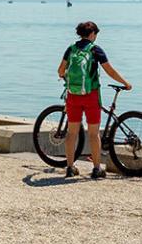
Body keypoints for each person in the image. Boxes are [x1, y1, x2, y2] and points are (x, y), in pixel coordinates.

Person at [56, 21, 132, 179]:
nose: (96, 37)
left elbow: (60, 70)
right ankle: (97, 169)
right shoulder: (96, 50)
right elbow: (109, 71)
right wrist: (125, 83)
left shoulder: (71, 49)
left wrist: (68, 80)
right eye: (95, 34)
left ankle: (70, 168)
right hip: (91, 96)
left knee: (71, 133)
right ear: (92, 34)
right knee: (93, 133)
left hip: (73, 96)